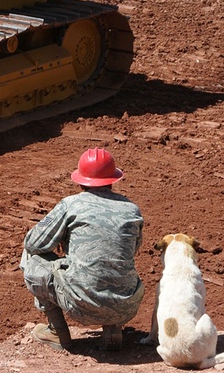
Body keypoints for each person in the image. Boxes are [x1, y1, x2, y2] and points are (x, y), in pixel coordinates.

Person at [20, 148, 144, 352]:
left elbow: (33, 243)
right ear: (113, 180)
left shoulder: (71, 204)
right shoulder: (132, 209)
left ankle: (57, 332)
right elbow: (131, 250)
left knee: (31, 257)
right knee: (113, 262)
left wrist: (63, 239)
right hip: (126, 306)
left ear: (80, 180)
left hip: (80, 305)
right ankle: (113, 329)